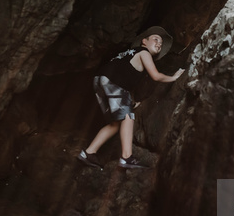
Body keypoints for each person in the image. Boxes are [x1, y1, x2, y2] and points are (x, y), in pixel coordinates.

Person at [77, 26, 184, 170]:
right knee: (128, 116)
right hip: (113, 83)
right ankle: (127, 157)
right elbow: (156, 76)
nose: (159, 44)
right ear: (144, 41)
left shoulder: (130, 54)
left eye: (161, 44)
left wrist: (131, 101)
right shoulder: (144, 53)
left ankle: (88, 153)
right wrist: (174, 77)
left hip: (100, 80)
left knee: (116, 123)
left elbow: (124, 77)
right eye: (156, 39)